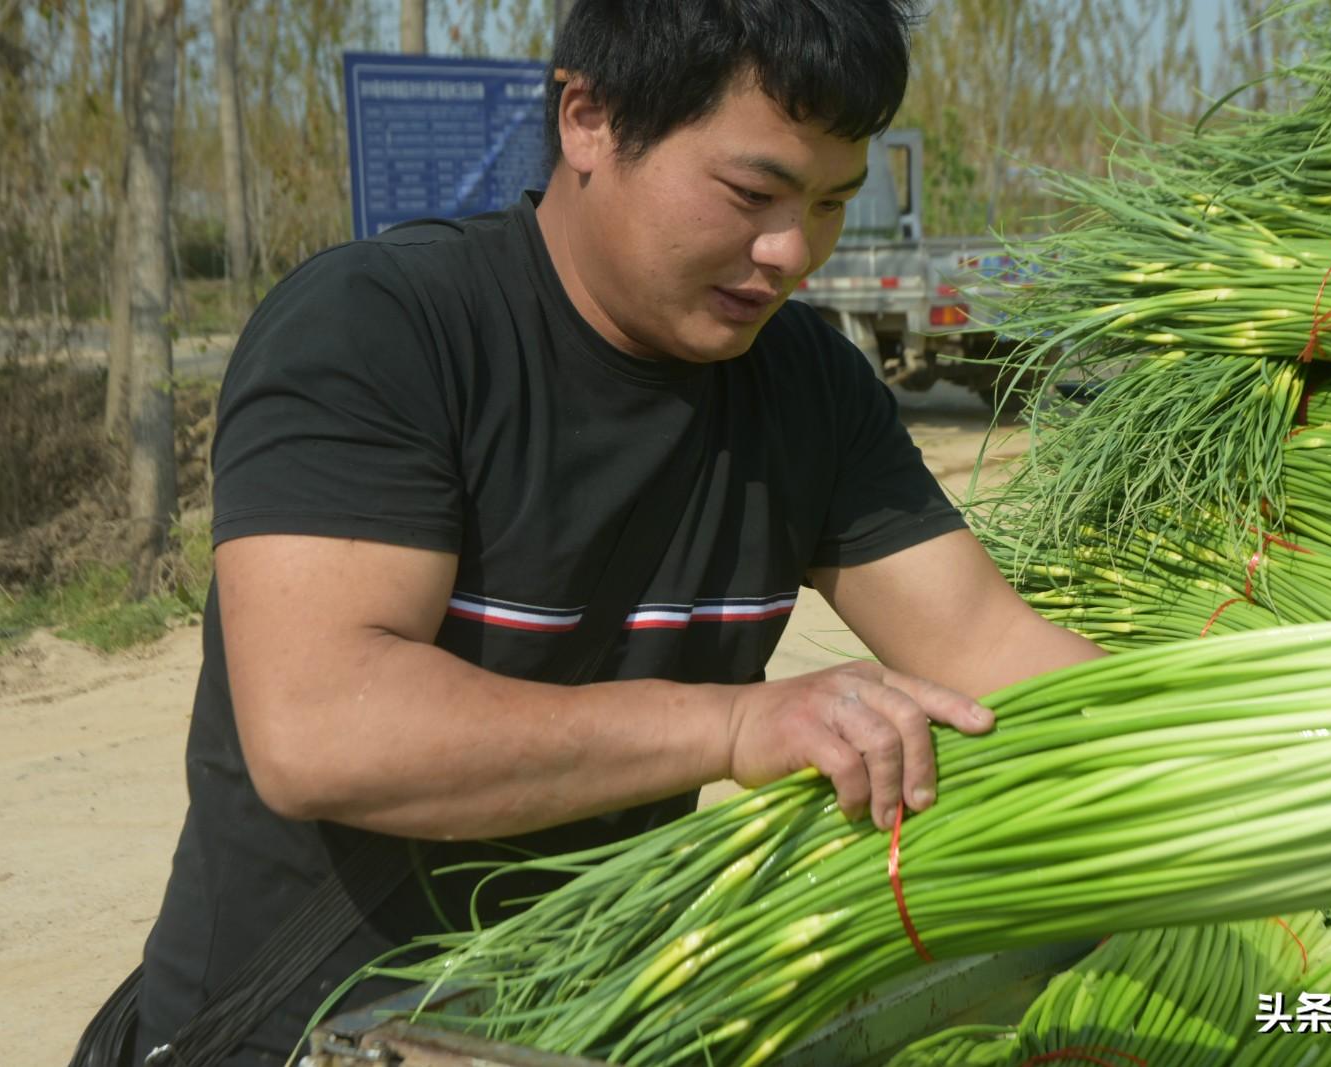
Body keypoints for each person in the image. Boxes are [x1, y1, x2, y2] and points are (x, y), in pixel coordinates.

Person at [122, 1, 1104, 1063]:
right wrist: (735, 726)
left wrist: (1291, 737)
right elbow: (322, 728)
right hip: (307, 1033)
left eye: (831, 203)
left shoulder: (808, 387)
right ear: (588, 119)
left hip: (584, 1025)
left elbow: (993, 654)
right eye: (752, 192)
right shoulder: (381, 332)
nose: (790, 252)